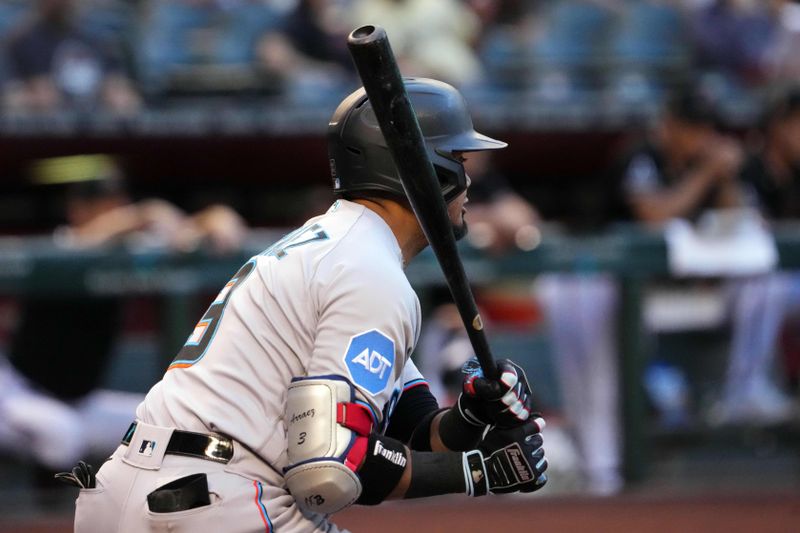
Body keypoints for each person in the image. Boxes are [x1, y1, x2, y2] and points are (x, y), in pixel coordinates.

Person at [66, 78, 548, 533]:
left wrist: (472, 415)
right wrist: (477, 472)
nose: (469, 181)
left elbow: (414, 429)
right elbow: (328, 470)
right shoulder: (367, 272)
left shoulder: (342, 247)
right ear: (426, 172)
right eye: (459, 159)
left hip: (149, 487)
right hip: (212, 499)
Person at [0, 154, 246, 479]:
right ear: (77, 209)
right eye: (102, 203)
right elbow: (91, 240)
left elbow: (206, 223)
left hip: (79, 402)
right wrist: (143, 214)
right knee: (60, 436)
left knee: (172, 425)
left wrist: (219, 219)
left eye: (118, 202)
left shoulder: (129, 246)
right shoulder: (65, 242)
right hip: (16, 392)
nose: (115, 211)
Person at [2, 0, 141, 113]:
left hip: (96, 126)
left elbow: (122, 89)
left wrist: (118, 94)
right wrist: (32, 97)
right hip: (45, 131)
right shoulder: (25, 41)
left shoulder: (95, 39)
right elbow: (12, 96)